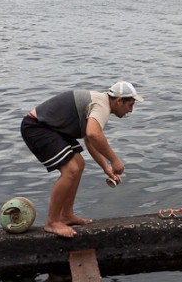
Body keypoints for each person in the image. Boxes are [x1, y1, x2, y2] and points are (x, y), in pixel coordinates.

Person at [20, 82, 143, 237]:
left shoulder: (99, 102)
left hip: (52, 127)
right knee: (70, 169)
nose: (131, 110)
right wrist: (115, 160)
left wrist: (106, 168)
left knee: (79, 163)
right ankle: (52, 222)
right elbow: (93, 134)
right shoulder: (102, 106)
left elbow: (89, 139)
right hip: (37, 127)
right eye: (130, 105)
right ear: (119, 101)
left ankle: (66, 215)